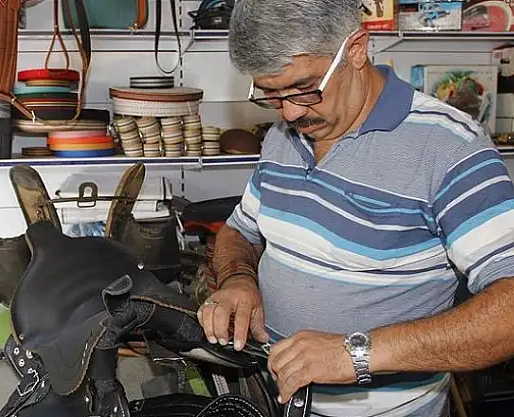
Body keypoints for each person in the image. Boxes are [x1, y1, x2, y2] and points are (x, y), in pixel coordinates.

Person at [196, 1, 514, 416]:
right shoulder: (281, 137)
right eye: (272, 96)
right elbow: (241, 231)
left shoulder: (449, 147)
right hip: (273, 399)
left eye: (305, 88)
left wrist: (357, 354)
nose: (291, 112)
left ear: (356, 50)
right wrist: (238, 280)